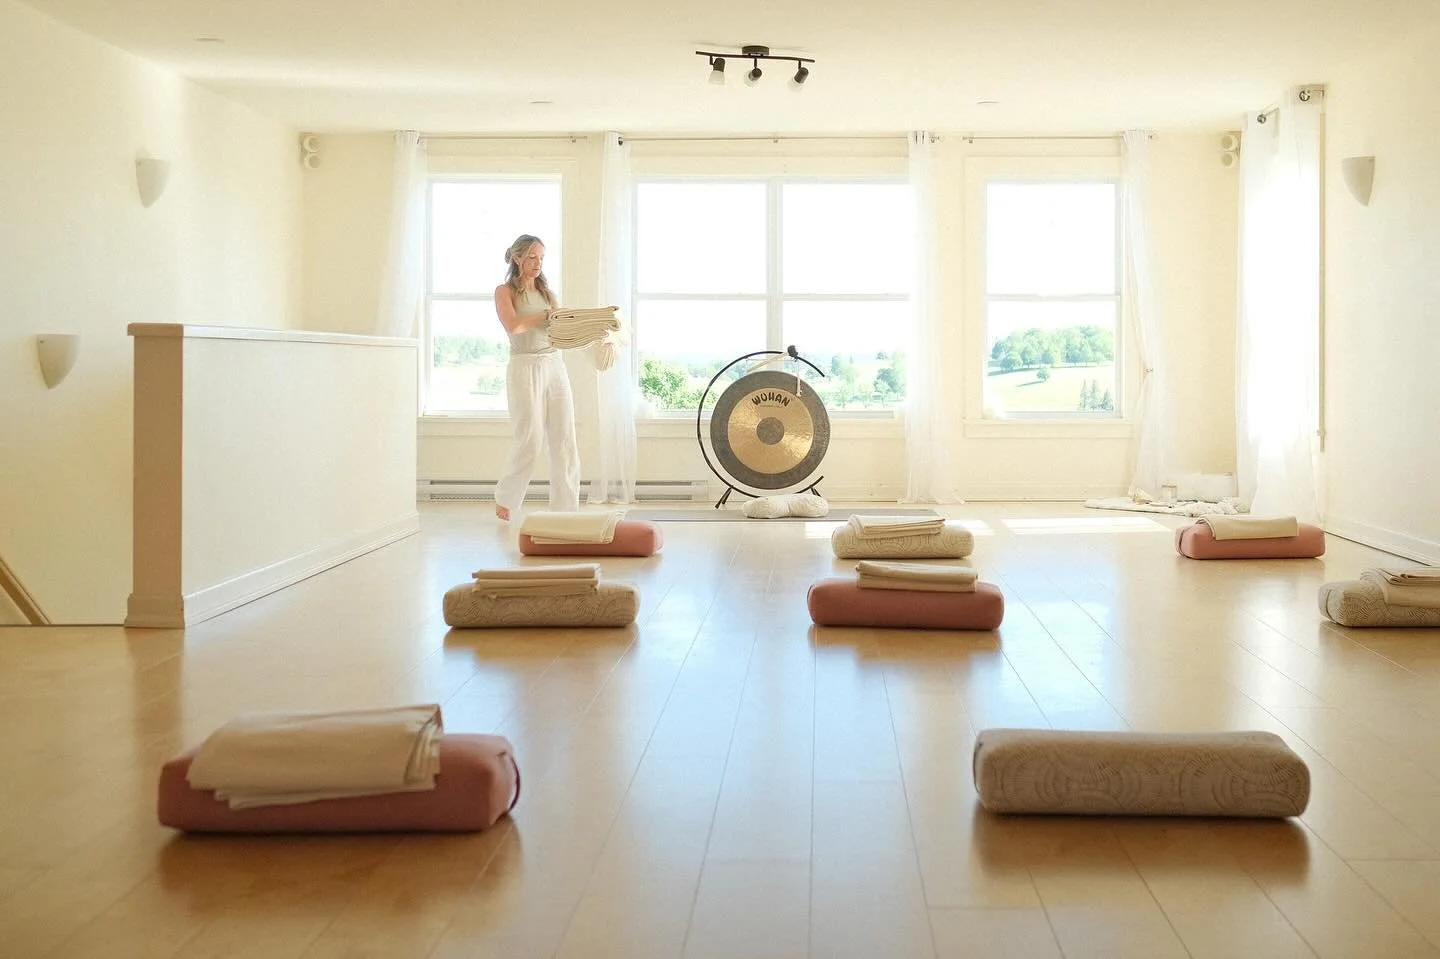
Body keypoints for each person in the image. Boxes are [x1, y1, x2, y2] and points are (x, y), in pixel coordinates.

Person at [490, 234, 580, 521]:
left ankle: (567, 508)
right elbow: (513, 325)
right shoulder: (505, 291)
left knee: (565, 437)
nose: (537, 263)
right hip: (524, 366)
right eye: (531, 257)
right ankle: (506, 499)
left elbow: (560, 330)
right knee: (530, 437)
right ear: (517, 257)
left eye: (541, 257)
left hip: (554, 363)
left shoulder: (548, 294)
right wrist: (545, 316)